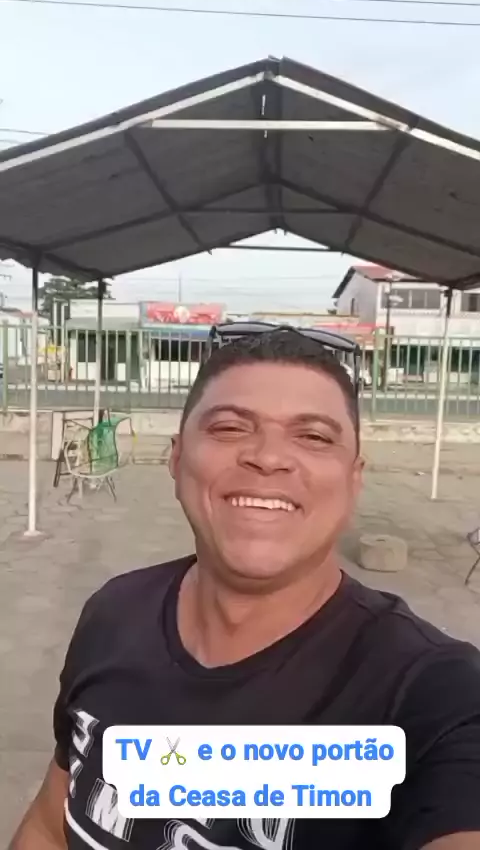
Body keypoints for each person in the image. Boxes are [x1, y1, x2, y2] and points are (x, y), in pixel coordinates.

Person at [9, 329, 480, 850]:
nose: (268, 457)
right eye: (230, 428)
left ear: (354, 478)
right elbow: (49, 827)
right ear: (176, 459)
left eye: (314, 437)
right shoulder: (114, 613)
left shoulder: (434, 691)